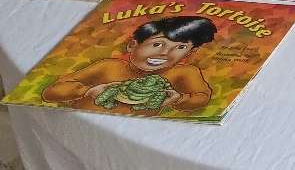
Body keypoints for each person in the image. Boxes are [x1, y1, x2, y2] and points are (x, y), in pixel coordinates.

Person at [41, 16, 215, 114]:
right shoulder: (108, 66)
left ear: (189, 53)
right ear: (132, 45)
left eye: (180, 47)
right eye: (157, 44)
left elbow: (202, 97)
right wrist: (87, 91)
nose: (165, 53)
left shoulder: (185, 72)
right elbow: (51, 92)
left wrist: (179, 98)